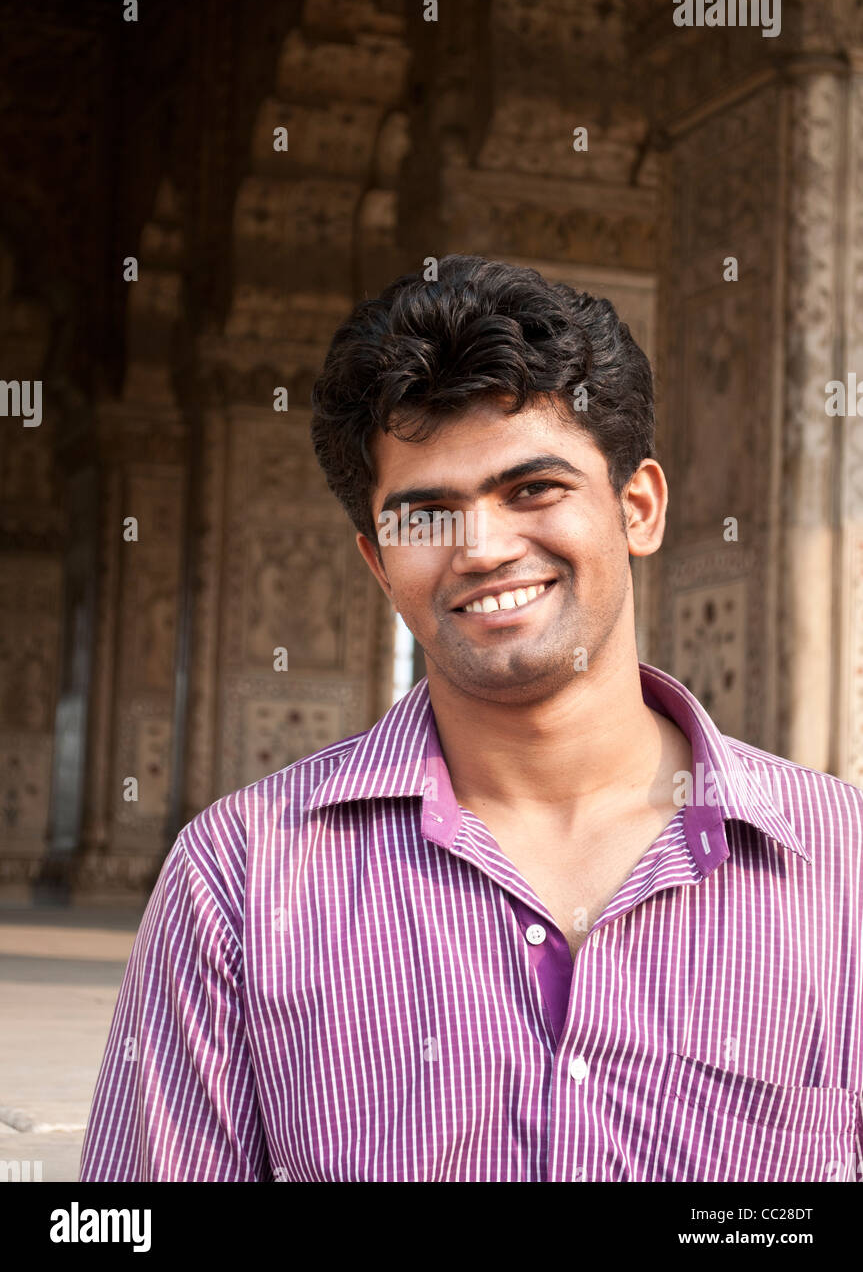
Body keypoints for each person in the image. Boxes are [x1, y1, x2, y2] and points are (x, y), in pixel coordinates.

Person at [79, 254, 862, 1182]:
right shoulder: (242, 883)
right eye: (425, 515)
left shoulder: (839, 872)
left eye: (533, 489)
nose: (482, 549)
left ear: (637, 507)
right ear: (377, 563)